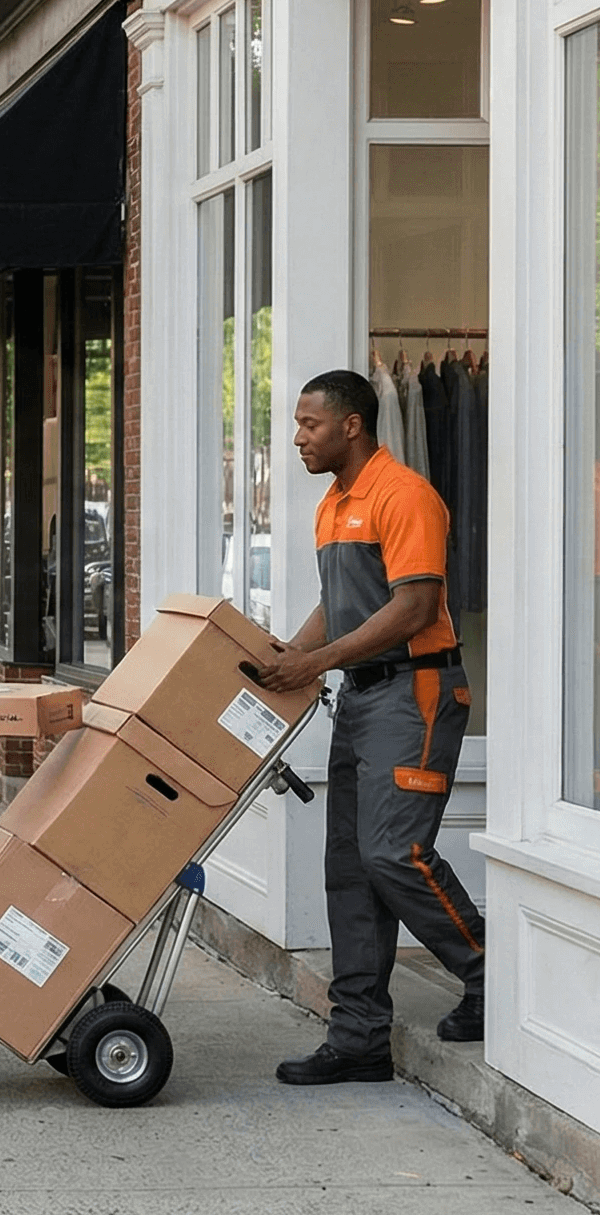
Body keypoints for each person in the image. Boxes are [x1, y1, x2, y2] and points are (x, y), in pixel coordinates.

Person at [259, 370, 485, 1083]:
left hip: (413, 693)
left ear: (350, 424)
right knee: (351, 869)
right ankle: (357, 1037)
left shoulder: (403, 494)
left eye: (308, 424)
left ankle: (489, 972)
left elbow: (414, 607)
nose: (298, 438)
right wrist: (293, 657)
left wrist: (317, 661)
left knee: (394, 853)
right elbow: (341, 604)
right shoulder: (333, 505)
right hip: (359, 698)